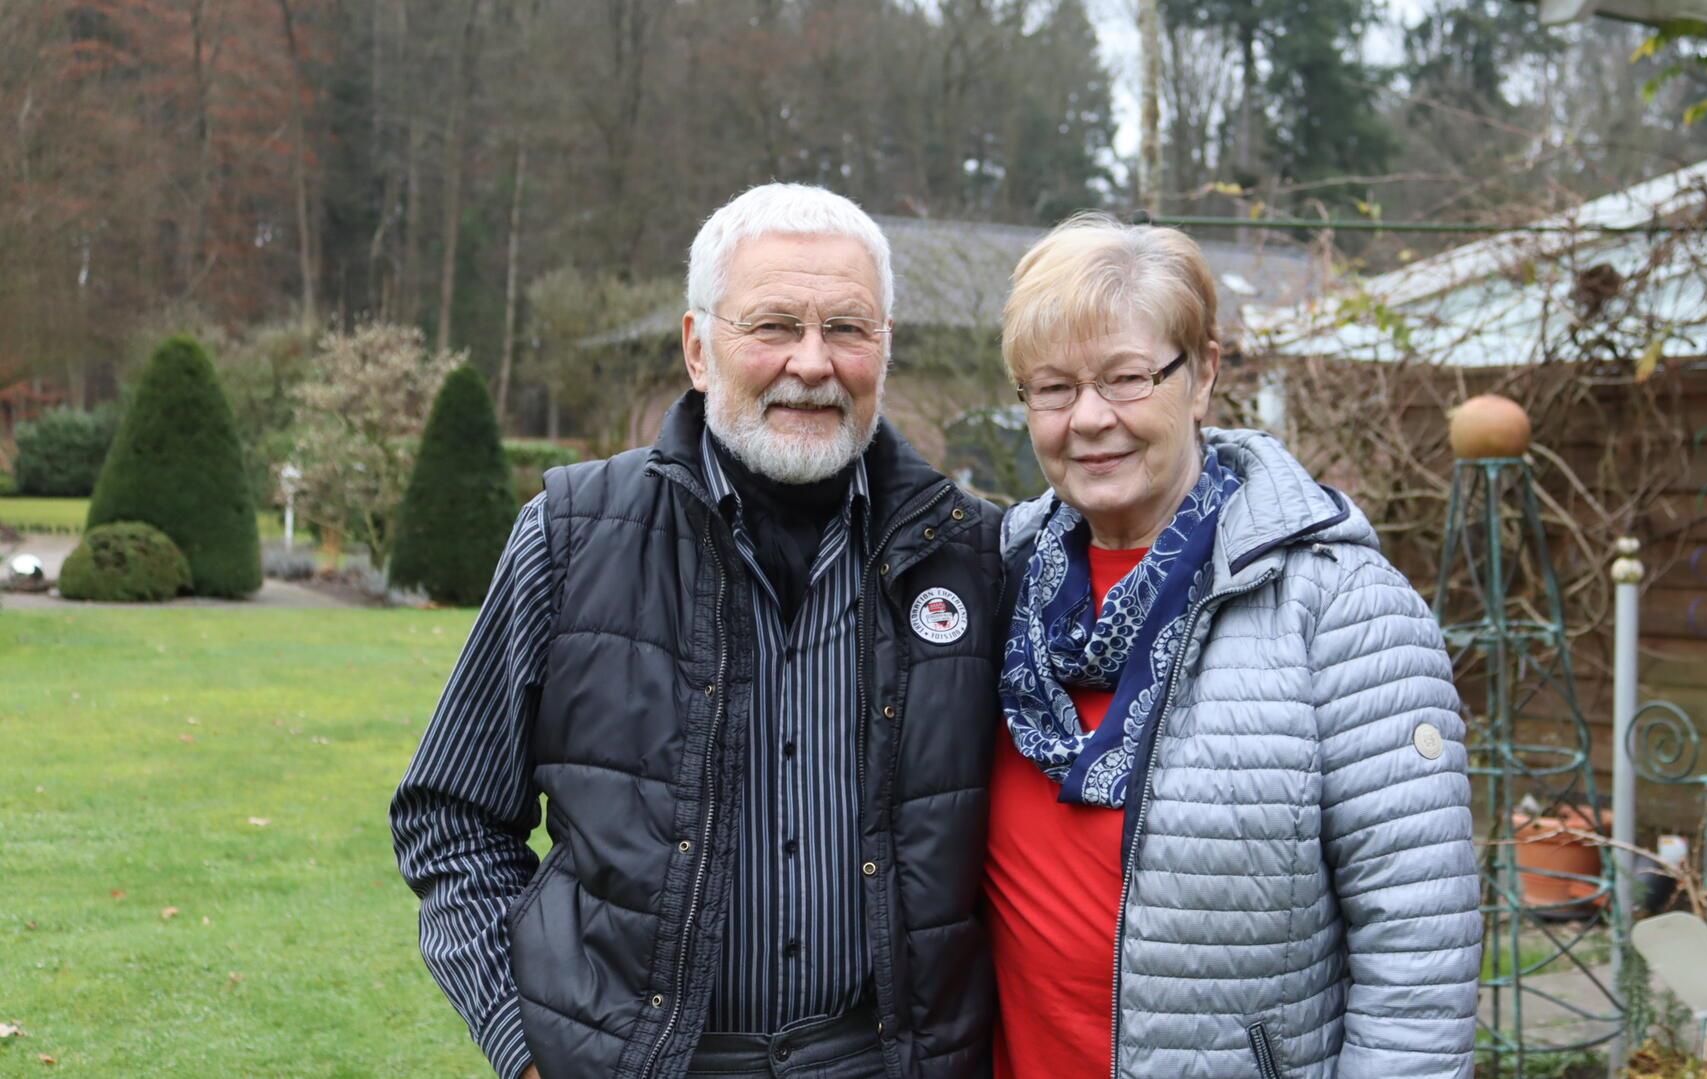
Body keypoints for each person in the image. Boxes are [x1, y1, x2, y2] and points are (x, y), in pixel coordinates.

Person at [393, 183, 1003, 1079]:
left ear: (886, 347)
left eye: (846, 328)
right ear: (697, 347)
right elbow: (451, 819)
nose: (811, 361)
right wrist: (526, 1049)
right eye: (772, 325)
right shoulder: (570, 535)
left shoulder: (973, 553)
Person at [982, 214, 1482, 1079]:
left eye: (1127, 378)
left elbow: (1418, 953)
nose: (1089, 418)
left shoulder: (1338, 606)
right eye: (1052, 388)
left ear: (1203, 374)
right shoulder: (993, 582)